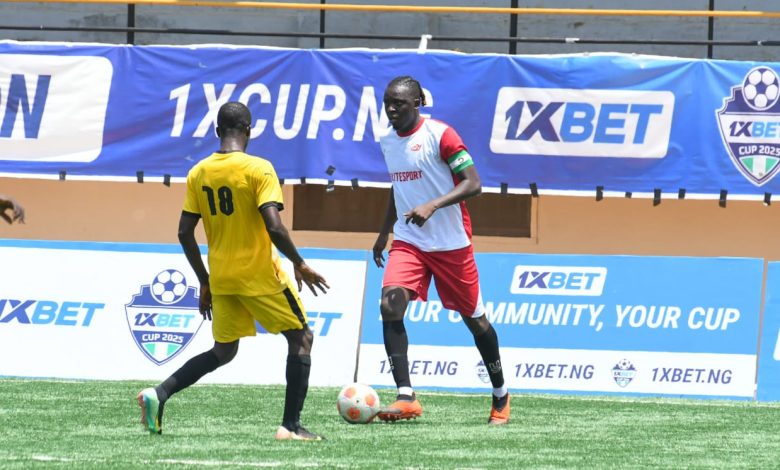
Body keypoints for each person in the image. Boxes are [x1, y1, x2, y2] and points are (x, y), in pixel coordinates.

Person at [137, 102, 329, 441]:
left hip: (222, 277)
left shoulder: (199, 171)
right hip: (259, 275)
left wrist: (204, 280)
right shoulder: (259, 169)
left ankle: (159, 393)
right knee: (301, 338)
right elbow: (275, 226)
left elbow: (184, 232)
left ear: (216, 132)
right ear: (249, 130)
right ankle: (291, 426)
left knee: (224, 351)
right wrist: (299, 262)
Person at [372, 76, 510, 425]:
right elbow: (397, 186)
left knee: (476, 322)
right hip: (409, 239)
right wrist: (384, 231)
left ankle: (500, 394)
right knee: (390, 303)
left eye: (398, 103)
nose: (391, 108)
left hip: (451, 244)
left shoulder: (441, 135)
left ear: (417, 103)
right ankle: (407, 396)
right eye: (387, 101)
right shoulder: (387, 139)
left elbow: (473, 184)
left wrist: (433, 205)